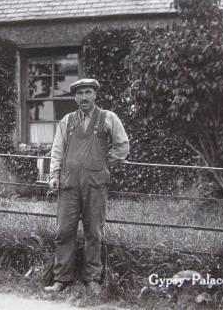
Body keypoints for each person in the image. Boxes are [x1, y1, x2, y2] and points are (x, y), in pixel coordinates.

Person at [43, 78, 129, 293]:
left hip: (95, 185)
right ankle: (61, 279)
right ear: (74, 97)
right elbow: (57, 150)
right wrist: (54, 174)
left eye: (88, 92)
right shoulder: (67, 121)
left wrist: (103, 161)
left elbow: (122, 147)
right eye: (79, 93)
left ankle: (92, 279)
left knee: (94, 232)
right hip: (69, 184)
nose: (84, 97)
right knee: (64, 231)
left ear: (95, 94)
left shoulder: (108, 118)